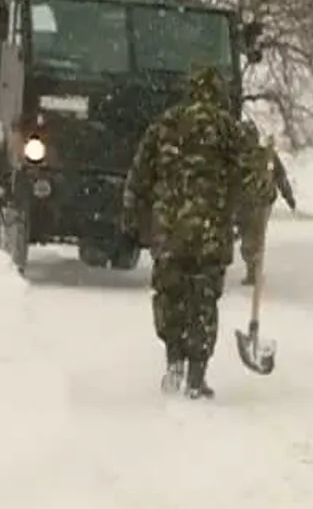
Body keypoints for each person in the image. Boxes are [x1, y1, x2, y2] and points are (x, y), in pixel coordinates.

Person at [122, 64, 273, 399]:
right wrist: (265, 187)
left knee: (170, 295)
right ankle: (196, 376)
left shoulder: (165, 124)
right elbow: (252, 183)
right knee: (203, 300)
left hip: (169, 231)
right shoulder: (227, 129)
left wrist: (132, 214)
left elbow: (139, 175)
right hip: (210, 232)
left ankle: (173, 361)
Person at [235, 120, 296, 285]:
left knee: (253, 237)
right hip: (242, 204)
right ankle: (252, 263)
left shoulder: (266, 155)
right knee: (246, 234)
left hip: (261, 204)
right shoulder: (235, 157)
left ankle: (253, 270)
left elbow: (280, 176)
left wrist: (288, 196)